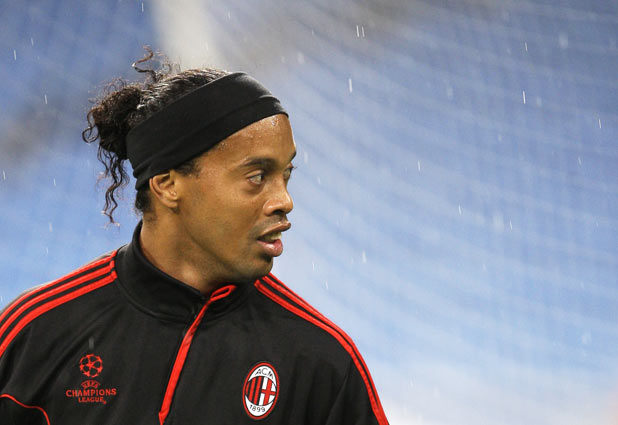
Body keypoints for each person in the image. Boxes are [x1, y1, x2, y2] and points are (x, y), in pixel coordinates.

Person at [0, 52, 389, 425]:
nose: (284, 201)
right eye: (257, 176)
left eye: (285, 175)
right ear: (168, 185)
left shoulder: (321, 362)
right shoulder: (36, 332)